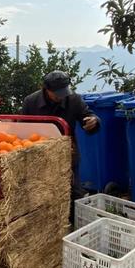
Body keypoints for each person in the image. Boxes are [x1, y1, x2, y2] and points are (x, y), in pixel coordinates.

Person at [22, 71, 100, 222]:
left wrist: (94, 121)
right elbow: (24, 129)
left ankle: (74, 227)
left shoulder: (74, 100)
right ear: (45, 89)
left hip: (67, 155)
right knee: (44, 193)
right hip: (40, 156)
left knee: (73, 192)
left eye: (64, 93)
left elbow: (88, 115)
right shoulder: (30, 102)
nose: (61, 97)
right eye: (57, 94)